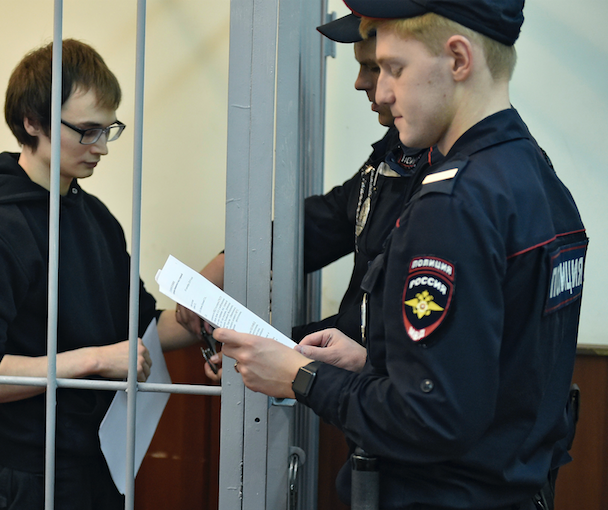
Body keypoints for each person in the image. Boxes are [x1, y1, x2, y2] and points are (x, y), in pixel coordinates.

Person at [216, 1, 587, 508]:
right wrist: (376, 362)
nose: (383, 91)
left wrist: (299, 377)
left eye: (394, 68)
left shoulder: (453, 204)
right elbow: (495, 376)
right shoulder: (536, 178)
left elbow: (430, 419)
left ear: (458, 60)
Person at [0, 39, 198, 510]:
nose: (101, 147)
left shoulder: (95, 216)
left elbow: (138, 327)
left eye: (108, 130)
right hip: (30, 470)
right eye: (86, 131)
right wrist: (94, 360)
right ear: (31, 122)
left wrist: (210, 314)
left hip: (101, 454)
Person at [178, 11, 439, 370]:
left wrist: (284, 355)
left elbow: (410, 354)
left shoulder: (459, 181)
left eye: (379, 67)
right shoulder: (400, 147)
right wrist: (229, 263)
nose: (362, 83)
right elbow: (331, 220)